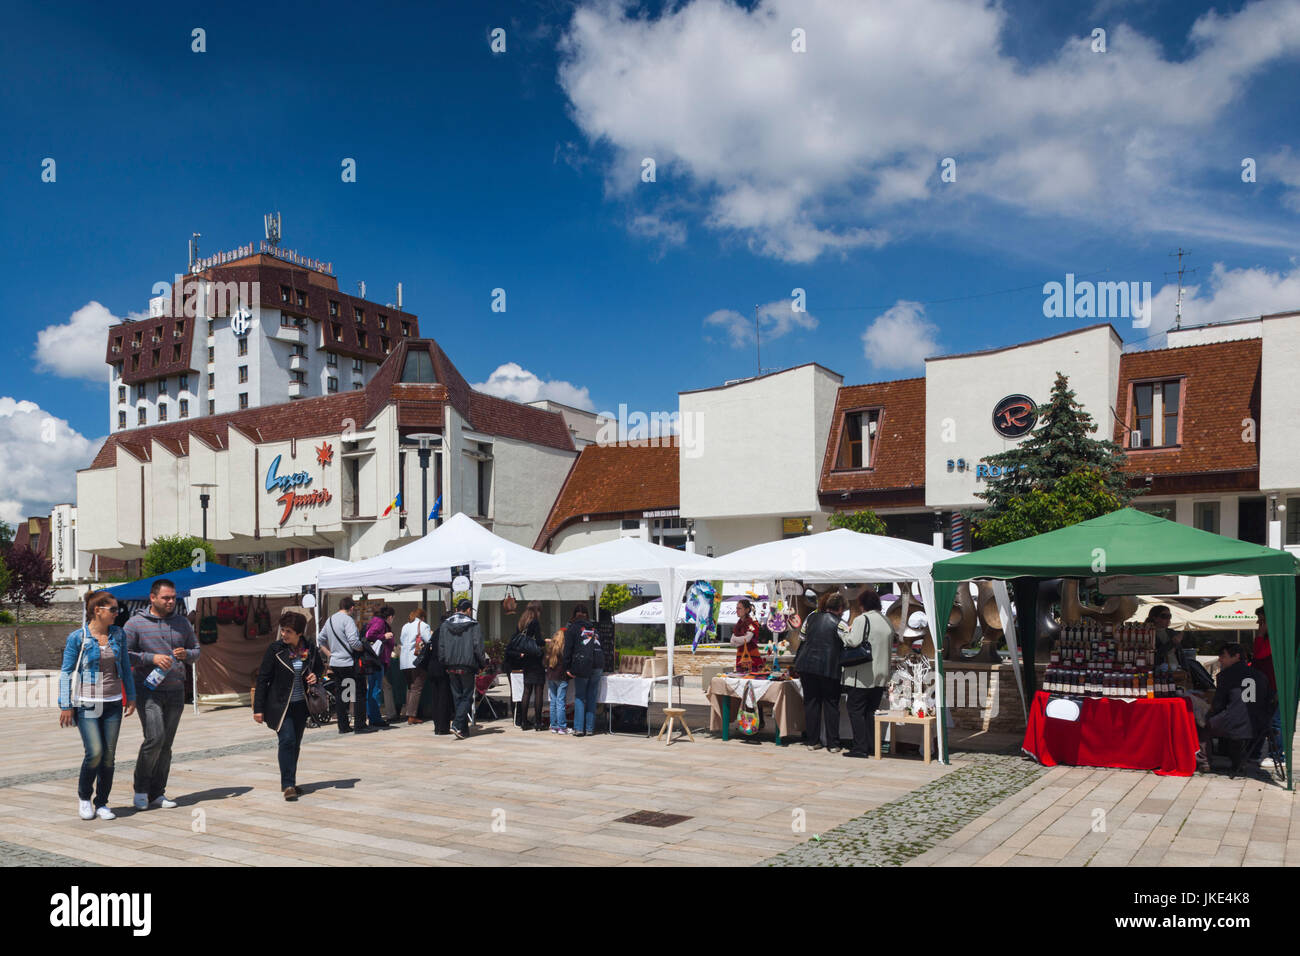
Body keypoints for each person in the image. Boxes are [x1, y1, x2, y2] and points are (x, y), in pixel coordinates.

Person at [59, 590, 137, 820]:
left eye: (117, 609)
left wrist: (130, 697)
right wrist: (65, 704)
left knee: (109, 756)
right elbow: (66, 672)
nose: (117, 613)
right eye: (112, 609)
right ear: (97, 611)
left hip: (113, 702)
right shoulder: (78, 637)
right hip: (88, 703)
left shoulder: (119, 635)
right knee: (94, 752)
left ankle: (102, 803)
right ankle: (84, 797)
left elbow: (125, 668)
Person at [124, 578, 198, 810]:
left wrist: (187, 654)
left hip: (175, 690)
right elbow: (123, 654)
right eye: (166, 597)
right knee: (154, 738)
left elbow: (197, 650)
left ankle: (158, 793)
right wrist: (150, 658)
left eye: (173, 597)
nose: (170, 601)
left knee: (166, 744)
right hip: (148, 691)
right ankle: (141, 789)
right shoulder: (135, 623)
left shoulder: (182, 623)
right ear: (153, 598)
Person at [253, 611, 324, 801]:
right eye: (282, 630)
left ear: (299, 633)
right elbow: (263, 679)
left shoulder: (310, 648)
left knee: (295, 744)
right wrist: (258, 708)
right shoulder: (275, 650)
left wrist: (315, 675)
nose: (284, 634)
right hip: (280, 705)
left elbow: (319, 666)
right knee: (287, 740)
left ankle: (290, 779)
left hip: (302, 705)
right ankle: (288, 785)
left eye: (289, 631)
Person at [1201, 643, 1272, 773]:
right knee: (1231, 719)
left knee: (1204, 723)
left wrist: (1209, 713)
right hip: (1260, 725)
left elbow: (1218, 705)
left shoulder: (1225, 675)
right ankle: (1238, 759)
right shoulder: (1261, 675)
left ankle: (1204, 761)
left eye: (1223, 656)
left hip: (1236, 724)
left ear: (1237, 656)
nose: (1220, 660)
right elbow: (1267, 702)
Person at [841, 589, 893, 758]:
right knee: (871, 711)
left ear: (862, 604)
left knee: (855, 710)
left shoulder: (862, 619)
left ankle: (860, 747)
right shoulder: (886, 620)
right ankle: (871, 745)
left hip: (862, 674)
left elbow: (853, 641)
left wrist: (843, 632)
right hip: (881, 674)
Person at [796, 592, 847, 752]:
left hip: (807, 666)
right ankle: (833, 743)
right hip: (829, 668)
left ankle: (812, 741)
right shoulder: (841, 624)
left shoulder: (810, 618)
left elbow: (802, 637)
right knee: (831, 704)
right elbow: (849, 642)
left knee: (811, 703)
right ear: (839, 608)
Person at [321, 596, 372, 734]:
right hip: (349, 662)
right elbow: (354, 642)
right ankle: (360, 724)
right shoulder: (348, 620)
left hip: (336, 663)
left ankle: (343, 726)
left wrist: (330, 654)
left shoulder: (330, 619)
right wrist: (363, 648)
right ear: (351, 608)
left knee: (342, 694)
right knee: (359, 692)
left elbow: (320, 639)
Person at [438, 599, 485, 739]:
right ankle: (457, 725)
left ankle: (462, 730)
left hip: (451, 665)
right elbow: (478, 646)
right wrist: (482, 663)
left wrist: (444, 663)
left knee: (458, 697)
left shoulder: (445, 625)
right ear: (468, 609)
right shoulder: (474, 625)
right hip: (467, 664)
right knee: (467, 697)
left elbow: (441, 647)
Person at [563, 605, 604, 738]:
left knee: (580, 697)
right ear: (586, 615)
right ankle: (590, 728)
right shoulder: (594, 628)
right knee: (592, 696)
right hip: (598, 664)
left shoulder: (572, 628)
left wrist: (567, 667)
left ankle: (579, 728)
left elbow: (567, 650)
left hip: (582, 664)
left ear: (574, 615)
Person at [512, 601, 547, 730]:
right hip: (536, 659)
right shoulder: (535, 622)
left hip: (526, 659)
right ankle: (538, 722)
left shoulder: (521, 622)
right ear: (537, 610)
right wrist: (546, 641)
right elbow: (538, 641)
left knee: (526, 691)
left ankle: (523, 722)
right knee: (538, 690)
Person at [362, 606, 396, 729]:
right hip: (377, 661)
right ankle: (374, 718)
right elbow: (370, 635)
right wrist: (384, 636)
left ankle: (373, 716)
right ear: (390, 617)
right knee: (375, 689)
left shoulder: (376, 621)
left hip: (376, 661)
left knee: (373, 689)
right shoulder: (380, 623)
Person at [399, 608, 432, 724]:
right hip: (416, 659)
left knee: (410, 687)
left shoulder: (405, 626)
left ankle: (409, 712)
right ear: (422, 617)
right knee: (416, 688)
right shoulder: (423, 625)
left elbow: (402, 640)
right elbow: (429, 641)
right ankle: (411, 715)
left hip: (404, 661)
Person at [544, 629, 569, 734]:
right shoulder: (564, 649)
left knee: (553, 702)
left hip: (551, 676)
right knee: (560, 702)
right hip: (561, 677)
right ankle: (562, 726)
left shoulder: (550, 648)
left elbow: (545, 662)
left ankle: (553, 725)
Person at [730, 599, 764, 672]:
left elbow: (747, 639)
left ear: (747, 610)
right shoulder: (737, 625)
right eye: (736, 608)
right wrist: (740, 640)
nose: (737, 610)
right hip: (740, 655)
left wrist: (735, 638)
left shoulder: (752, 623)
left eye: (739, 608)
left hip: (752, 655)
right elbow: (732, 643)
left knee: (753, 678)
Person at [1148, 605, 1184, 670]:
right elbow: (1155, 655)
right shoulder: (1147, 634)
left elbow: (1181, 655)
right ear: (1155, 618)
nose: (1168, 619)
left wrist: (1186, 669)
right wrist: (1172, 643)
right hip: (1159, 672)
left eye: (1169, 616)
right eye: (1164, 616)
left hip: (1176, 670)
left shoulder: (1172, 633)